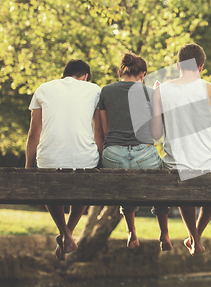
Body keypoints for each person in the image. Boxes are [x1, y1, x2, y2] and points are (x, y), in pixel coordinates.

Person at [152, 43, 211, 255]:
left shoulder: (161, 91)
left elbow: (156, 134)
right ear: (201, 66)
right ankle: (196, 236)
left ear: (178, 65)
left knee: (184, 174)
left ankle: (194, 237)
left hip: (178, 163)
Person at [25, 59, 103, 261]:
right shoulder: (94, 90)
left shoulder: (43, 89)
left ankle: (65, 234)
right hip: (85, 158)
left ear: (64, 74)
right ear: (85, 76)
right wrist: (102, 160)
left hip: (48, 158)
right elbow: (98, 132)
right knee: (86, 186)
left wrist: (27, 168)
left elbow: (34, 134)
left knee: (50, 187)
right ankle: (67, 233)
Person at [98, 53, 170, 251]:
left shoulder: (105, 91)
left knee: (124, 181)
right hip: (144, 155)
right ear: (143, 74)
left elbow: (104, 132)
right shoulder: (150, 93)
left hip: (113, 156)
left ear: (120, 72)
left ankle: (131, 232)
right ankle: (164, 232)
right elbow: (157, 134)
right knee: (161, 180)